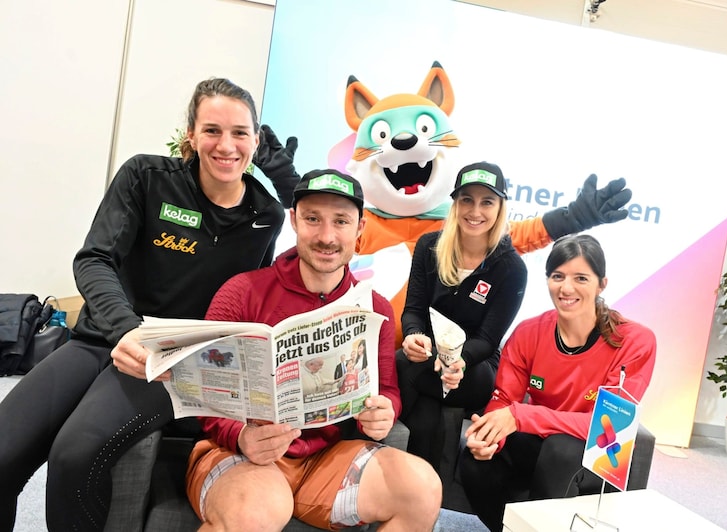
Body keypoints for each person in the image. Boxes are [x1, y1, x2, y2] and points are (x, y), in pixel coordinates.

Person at [0, 77, 301, 531]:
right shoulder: (147, 177)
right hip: (103, 339)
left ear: (256, 141)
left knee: (75, 453)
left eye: (240, 132)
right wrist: (125, 329)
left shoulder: (265, 216)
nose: (226, 145)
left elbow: (305, 245)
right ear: (191, 135)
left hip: (175, 362)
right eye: (212, 130)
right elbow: (95, 259)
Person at [185, 168, 441, 531]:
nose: (326, 236)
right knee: (252, 513)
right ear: (293, 221)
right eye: (312, 219)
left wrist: (386, 411)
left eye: (340, 221)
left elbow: (386, 390)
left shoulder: (377, 309)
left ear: (360, 230)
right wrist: (241, 436)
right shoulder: (241, 292)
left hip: (324, 460)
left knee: (423, 487)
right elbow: (203, 393)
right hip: (240, 453)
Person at [459, 234, 657, 532]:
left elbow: (610, 428)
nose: (566, 288)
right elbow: (503, 398)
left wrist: (522, 415)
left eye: (581, 278)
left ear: (602, 284)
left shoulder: (635, 341)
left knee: (560, 449)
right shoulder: (528, 333)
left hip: (597, 455)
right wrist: (490, 437)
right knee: (474, 461)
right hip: (541, 443)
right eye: (558, 276)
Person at [395, 161, 528, 468]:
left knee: (404, 367)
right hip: (427, 356)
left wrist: (459, 361)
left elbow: (487, 339)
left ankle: (370, 444)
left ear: (501, 207)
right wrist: (414, 336)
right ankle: (423, 496)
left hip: (475, 365)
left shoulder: (511, 268)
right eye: (466, 199)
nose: (475, 211)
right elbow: (413, 310)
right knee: (425, 413)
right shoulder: (430, 246)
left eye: (487, 202)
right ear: (454, 204)